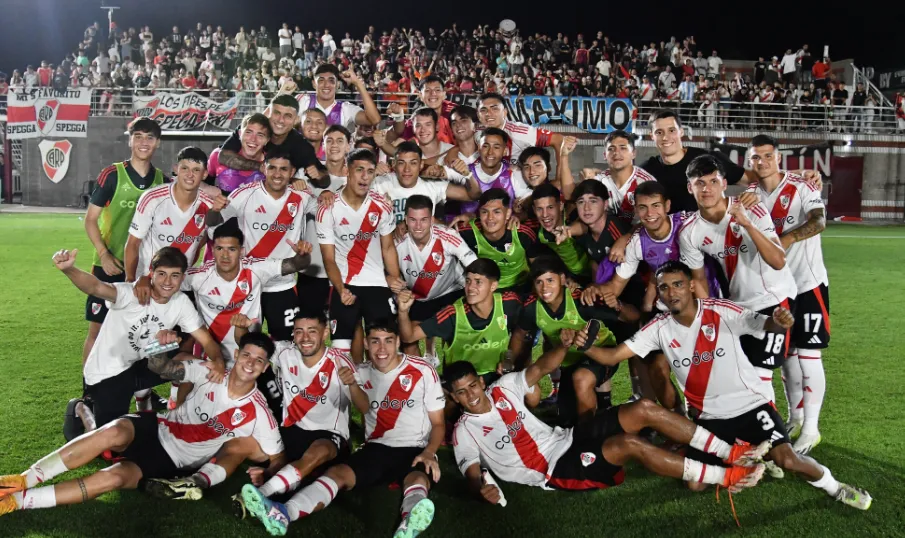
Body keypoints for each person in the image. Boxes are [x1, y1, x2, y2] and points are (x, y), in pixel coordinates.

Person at [580, 261, 871, 510]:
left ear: (692, 286)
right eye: (664, 288)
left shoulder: (720, 311)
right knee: (694, 485)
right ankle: (746, 457)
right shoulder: (657, 328)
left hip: (750, 406)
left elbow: (762, 323)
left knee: (788, 461)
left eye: (678, 284)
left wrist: (779, 321)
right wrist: (586, 346)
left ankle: (835, 487)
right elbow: (614, 355)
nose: (671, 293)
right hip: (709, 420)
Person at [447, 330, 767, 503]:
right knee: (629, 444)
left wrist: (564, 344)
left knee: (642, 408)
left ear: (480, 381)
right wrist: (482, 489)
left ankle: (730, 452)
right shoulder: (464, 432)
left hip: (568, 437)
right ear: (453, 397)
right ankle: (726, 477)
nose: (471, 395)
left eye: (472, 385)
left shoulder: (502, 388)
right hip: (556, 469)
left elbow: (542, 367)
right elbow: (473, 474)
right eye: (461, 392)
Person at [0, 331, 283, 517]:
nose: (251, 363)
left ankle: (15, 502)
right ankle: (22, 480)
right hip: (157, 426)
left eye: (259, 360)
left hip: (173, 461)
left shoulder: (259, 412)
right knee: (112, 432)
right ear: (237, 355)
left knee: (112, 478)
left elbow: (277, 455)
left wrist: (266, 473)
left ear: (266, 366)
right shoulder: (211, 371)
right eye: (247, 355)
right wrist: (162, 345)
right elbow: (160, 368)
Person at [241, 319, 444, 538]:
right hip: (376, 448)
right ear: (366, 344)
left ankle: (409, 523)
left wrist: (429, 452)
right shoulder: (359, 372)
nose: (381, 349)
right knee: (336, 474)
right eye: (375, 341)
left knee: (417, 478)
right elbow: (363, 407)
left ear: (397, 343)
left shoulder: (422, 370)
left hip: (415, 446)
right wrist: (352, 384)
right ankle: (283, 513)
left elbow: (439, 423)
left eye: (388, 341)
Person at [54, 247, 224, 434]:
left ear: (183, 278)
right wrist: (69, 269)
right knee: (111, 443)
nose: (168, 282)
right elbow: (96, 287)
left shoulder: (180, 302)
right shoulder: (130, 294)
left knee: (199, 367)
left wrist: (217, 361)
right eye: (161, 274)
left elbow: (205, 340)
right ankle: (80, 407)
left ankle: (180, 416)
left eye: (175, 275)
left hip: (144, 365)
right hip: (108, 373)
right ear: (151, 273)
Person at [678, 155, 797, 390]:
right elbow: (699, 279)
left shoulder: (750, 209)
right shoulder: (690, 232)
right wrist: (709, 317)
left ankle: (789, 424)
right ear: (690, 188)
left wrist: (747, 224)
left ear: (724, 184)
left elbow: (778, 261)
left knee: (760, 373)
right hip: (738, 306)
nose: (707, 189)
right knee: (740, 374)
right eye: (699, 183)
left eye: (713, 182)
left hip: (774, 298)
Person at [745, 135, 830, 454]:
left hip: (807, 283)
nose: (762, 162)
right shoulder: (750, 196)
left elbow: (819, 221)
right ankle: (795, 418)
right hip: (776, 291)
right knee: (788, 357)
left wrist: (787, 238)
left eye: (767, 155)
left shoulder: (802, 185)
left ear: (778, 158)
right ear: (749, 162)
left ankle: (811, 428)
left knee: (809, 355)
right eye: (756, 157)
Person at [230, 311, 357, 516]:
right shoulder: (284, 352)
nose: (305, 338)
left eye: (312, 331)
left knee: (317, 453)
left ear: (325, 333)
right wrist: (241, 327)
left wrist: (353, 385)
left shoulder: (341, 363)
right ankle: (279, 476)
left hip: (327, 435)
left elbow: (365, 403)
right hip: (291, 430)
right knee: (243, 443)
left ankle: (261, 492)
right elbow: (251, 348)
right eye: (299, 331)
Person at [206, 148, 317, 342]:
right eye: (272, 168)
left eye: (283, 169)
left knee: (286, 343)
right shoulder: (244, 194)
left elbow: (330, 210)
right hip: (248, 284)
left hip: (283, 285)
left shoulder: (302, 197)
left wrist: (323, 193)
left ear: (292, 173)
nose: (277, 174)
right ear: (264, 168)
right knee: (247, 343)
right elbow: (213, 226)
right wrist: (214, 211)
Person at [512, 256, 639, 423]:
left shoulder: (581, 300)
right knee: (567, 419)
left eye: (550, 280)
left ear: (563, 279)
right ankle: (603, 412)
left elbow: (633, 317)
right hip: (570, 362)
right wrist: (512, 364)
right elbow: (520, 335)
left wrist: (618, 305)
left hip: (601, 354)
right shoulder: (531, 307)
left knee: (582, 378)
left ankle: (589, 435)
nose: (544, 288)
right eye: (539, 282)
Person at [83, 119, 165, 371]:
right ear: (130, 140)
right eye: (138, 136)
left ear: (157, 143)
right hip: (109, 266)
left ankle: (141, 394)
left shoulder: (162, 180)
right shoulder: (112, 174)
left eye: (149, 137)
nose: (143, 142)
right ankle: (89, 392)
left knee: (142, 332)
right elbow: (90, 220)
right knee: (98, 330)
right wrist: (104, 254)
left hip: (143, 272)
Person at [315, 149, 403, 359]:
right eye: (359, 170)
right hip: (344, 283)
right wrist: (340, 289)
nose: (365, 176)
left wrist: (395, 281)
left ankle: (383, 390)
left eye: (370, 171)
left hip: (377, 284)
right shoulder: (328, 208)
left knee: (385, 347)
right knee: (341, 351)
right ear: (347, 170)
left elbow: (388, 248)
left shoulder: (382, 206)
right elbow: (328, 258)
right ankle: (350, 389)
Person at [394, 195, 478, 358]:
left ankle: (450, 377)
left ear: (432, 219)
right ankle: (422, 377)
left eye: (424, 220)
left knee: (455, 340)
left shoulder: (447, 236)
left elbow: (474, 265)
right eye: (412, 220)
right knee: (408, 342)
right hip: (419, 297)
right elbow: (380, 267)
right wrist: (391, 279)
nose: (418, 226)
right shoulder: (396, 241)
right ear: (405, 219)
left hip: (450, 292)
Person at [124, 147, 215, 284]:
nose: (190, 175)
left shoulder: (208, 206)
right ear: (176, 169)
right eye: (185, 168)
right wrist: (130, 281)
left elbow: (198, 246)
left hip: (180, 285)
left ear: (204, 174)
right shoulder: (152, 198)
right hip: (147, 281)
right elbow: (133, 243)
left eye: (196, 170)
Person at [217, 95, 323, 180]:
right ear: (269, 114)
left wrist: (318, 177)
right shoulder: (251, 127)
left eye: (288, 116)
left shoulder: (301, 145)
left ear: (296, 120)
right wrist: (260, 167)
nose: (281, 120)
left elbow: (323, 176)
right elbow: (223, 156)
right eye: (277, 113)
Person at [455, 189, 541, 293]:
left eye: (497, 212)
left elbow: (539, 270)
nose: (490, 218)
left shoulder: (523, 234)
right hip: (485, 290)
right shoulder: (466, 232)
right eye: (484, 212)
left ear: (508, 213)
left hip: (521, 286)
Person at [447, 128, 533, 216]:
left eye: (496, 147)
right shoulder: (463, 171)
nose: (490, 152)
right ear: (479, 149)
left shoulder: (514, 173)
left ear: (505, 151)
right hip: (466, 228)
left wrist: (521, 208)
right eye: (485, 146)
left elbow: (528, 200)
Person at [477, 92, 570, 166]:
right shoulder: (474, 134)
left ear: (505, 112)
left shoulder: (520, 132)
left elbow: (558, 139)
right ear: (478, 115)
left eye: (494, 109)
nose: (488, 113)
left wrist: (559, 179)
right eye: (483, 110)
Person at [529, 183, 591, 282]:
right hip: (572, 277)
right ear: (534, 210)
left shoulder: (574, 215)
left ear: (561, 206)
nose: (545, 215)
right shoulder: (539, 234)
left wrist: (568, 230)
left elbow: (586, 226)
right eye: (539, 209)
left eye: (550, 207)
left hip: (597, 272)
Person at [591, 130, 657, 222]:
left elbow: (654, 221)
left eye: (623, 148)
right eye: (611, 148)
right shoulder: (599, 181)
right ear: (605, 155)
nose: (616, 153)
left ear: (633, 153)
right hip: (608, 232)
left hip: (640, 233)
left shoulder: (646, 182)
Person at [294, 64, 381, 132]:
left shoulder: (345, 108)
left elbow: (374, 120)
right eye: (321, 80)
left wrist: (358, 84)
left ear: (337, 85)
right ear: (313, 84)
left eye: (331, 81)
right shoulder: (303, 100)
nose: (326, 85)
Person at [207, 113, 269, 195]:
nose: (253, 139)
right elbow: (203, 186)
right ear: (240, 134)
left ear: (267, 140)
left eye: (260, 135)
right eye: (248, 132)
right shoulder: (216, 155)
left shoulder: (273, 163)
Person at [389, 75, 456, 146]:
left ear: (444, 94)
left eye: (437, 90)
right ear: (420, 96)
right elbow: (399, 141)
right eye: (427, 90)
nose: (433, 94)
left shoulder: (455, 111)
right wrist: (399, 117)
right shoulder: (417, 117)